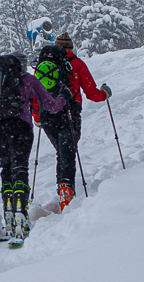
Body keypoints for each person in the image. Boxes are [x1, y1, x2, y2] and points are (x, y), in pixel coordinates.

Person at [0, 52, 65, 246]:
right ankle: (21, 217)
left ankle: (8, 214)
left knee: (6, 169)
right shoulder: (27, 80)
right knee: (20, 168)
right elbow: (50, 105)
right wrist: (64, 99)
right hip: (20, 127)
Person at [37, 33, 111, 210]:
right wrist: (105, 94)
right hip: (69, 114)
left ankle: (63, 188)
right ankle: (66, 190)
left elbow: (35, 93)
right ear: (70, 48)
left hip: (47, 115)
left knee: (61, 153)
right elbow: (91, 93)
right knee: (67, 153)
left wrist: (38, 118)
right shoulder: (76, 64)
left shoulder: (43, 67)